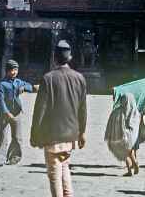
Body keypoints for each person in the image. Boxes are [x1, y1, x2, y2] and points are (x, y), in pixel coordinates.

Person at [30, 40, 87, 197]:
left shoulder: (48, 78)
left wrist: (34, 134)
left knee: (54, 173)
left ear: (54, 58)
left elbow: (39, 110)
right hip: (70, 134)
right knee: (64, 167)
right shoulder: (80, 78)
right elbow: (83, 109)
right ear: (70, 58)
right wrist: (82, 133)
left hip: (53, 135)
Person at [0, 59, 38, 166]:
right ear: (7, 71)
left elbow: (29, 87)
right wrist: (6, 112)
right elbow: (1, 100)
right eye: (11, 70)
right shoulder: (2, 84)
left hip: (17, 113)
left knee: (17, 137)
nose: (14, 72)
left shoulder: (18, 82)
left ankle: (14, 157)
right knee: (3, 136)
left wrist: (31, 88)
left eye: (15, 70)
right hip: (5, 114)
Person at [105, 91, 141, 176]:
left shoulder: (118, 112)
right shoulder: (136, 112)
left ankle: (130, 170)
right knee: (130, 150)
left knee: (124, 153)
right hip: (133, 136)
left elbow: (114, 124)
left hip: (121, 136)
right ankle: (135, 162)